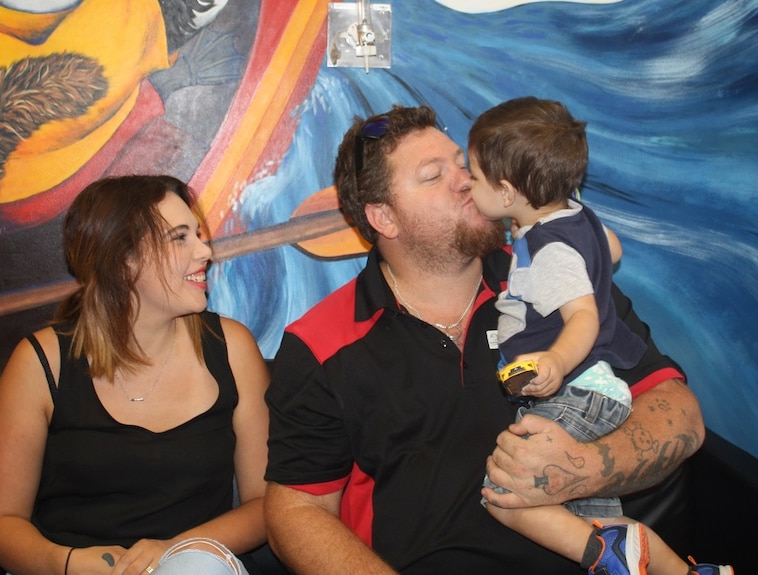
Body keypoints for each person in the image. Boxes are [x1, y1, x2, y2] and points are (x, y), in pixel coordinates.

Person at [262, 104, 709, 574]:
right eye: (434, 176)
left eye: (462, 163)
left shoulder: (558, 275)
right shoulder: (320, 344)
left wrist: (581, 466)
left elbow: (681, 415)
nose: (465, 181)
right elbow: (296, 510)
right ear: (384, 218)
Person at [467, 97, 732, 575]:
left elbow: (584, 318)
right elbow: (610, 249)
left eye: (473, 175)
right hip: (600, 390)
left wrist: (556, 361)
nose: (465, 183)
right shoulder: (574, 215)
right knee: (592, 516)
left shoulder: (548, 252)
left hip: (578, 389)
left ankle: (602, 554)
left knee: (504, 493)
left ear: (506, 193)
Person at [0, 175, 271, 575]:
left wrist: (173, 550)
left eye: (198, 235)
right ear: (123, 260)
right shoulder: (42, 362)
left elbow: (267, 505)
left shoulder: (232, 349)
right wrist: (68, 563)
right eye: (179, 238)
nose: (205, 251)